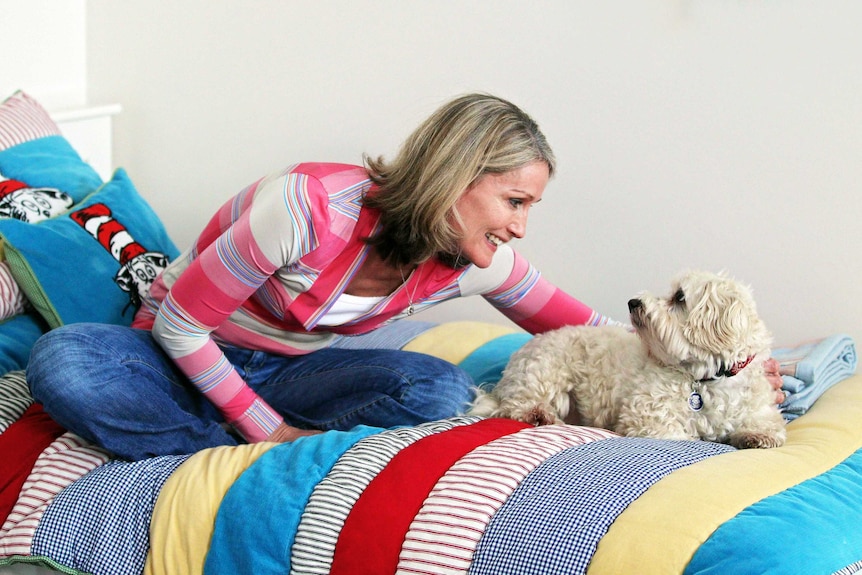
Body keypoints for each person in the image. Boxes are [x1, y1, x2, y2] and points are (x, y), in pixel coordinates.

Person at [27, 93, 782, 461]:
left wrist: (735, 366)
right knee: (62, 361)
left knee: (442, 389)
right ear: (456, 175)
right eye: (514, 201)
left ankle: (215, 434)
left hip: (286, 371)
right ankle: (215, 445)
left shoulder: (477, 261)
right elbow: (179, 322)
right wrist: (272, 432)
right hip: (170, 355)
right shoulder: (306, 207)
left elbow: (594, 334)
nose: (521, 225)